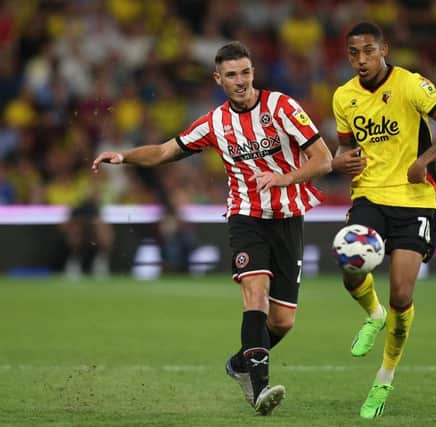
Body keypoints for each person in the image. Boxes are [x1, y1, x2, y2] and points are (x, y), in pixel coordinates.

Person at [92, 41, 333, 416]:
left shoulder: (283, 107)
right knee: (255, 291)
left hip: (287, 218)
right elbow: (163, 151)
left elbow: (324, 159)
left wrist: (285, 177)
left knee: (282, 321)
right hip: (245, 217)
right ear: (218, 79)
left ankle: (239, 366)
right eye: (232, 75)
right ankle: (259, 389)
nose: (241, 81)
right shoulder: (215, 123)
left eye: (246, 73)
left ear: (254, 72)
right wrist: (123, 156)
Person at [331, 22, 436, 419]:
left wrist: (423, 162)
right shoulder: (343, 97)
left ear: (384, 49)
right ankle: (373, 315)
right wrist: (343, 163)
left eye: (368, 51)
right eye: (354, 53)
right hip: (369, 195)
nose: (361, 59)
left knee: (402, 296)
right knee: (349, 269)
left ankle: (384, 378)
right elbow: (345, 148)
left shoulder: (411, 85)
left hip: (414, 201)